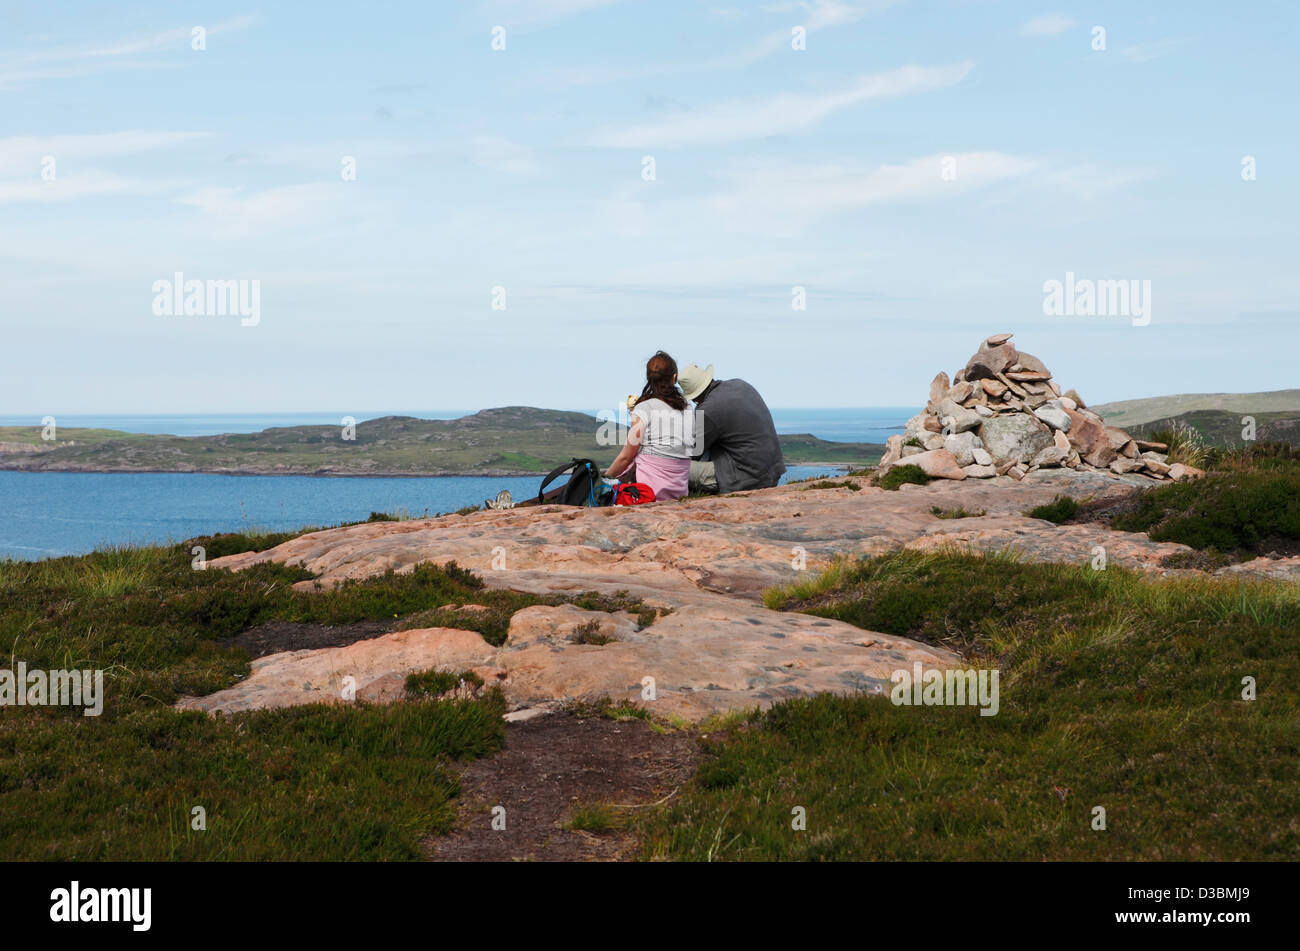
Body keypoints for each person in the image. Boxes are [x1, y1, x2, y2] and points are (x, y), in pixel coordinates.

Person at [676, 362, 786, 494]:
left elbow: (693, 452)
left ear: (696, 395)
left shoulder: (708, 410)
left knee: (673, 466)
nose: (695, 402)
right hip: (773, 471)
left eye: (694, 399)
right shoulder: (740, 384)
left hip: (748, 477)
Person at [604, 351, 696, 502]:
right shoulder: (687, 408)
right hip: (679, 494)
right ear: (674, 378)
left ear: (649, 378)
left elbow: (626, 457)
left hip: (650, 495)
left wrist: (603, 480)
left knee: (635, 455)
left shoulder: (645, 408)